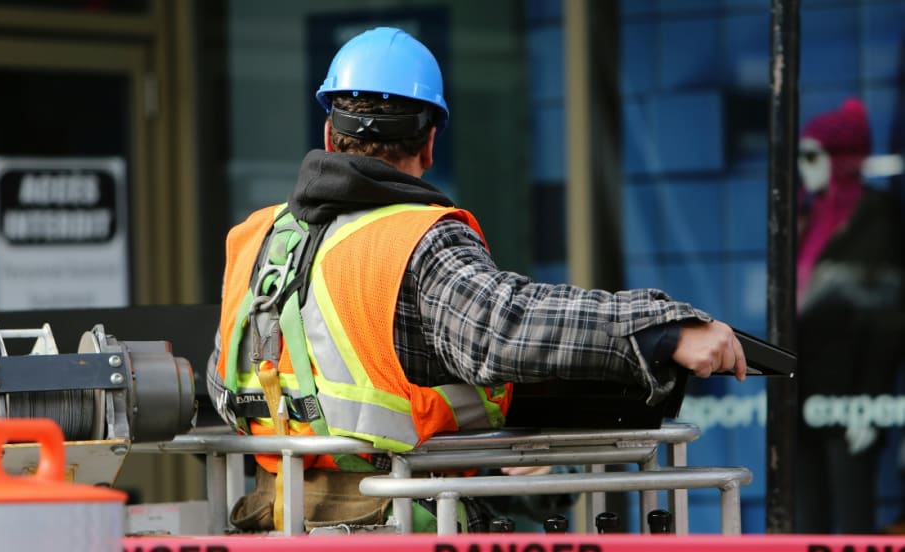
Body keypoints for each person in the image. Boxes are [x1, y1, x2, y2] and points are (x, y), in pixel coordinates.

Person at [206, 26, 747, 534]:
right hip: (397, 525)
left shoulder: (255, 239)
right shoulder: (416, 239)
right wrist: (664, 330)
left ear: (328, 131)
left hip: (274, 522)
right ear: (430, 143)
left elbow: (223, 378)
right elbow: (502, 328)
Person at [794, 98, 905, 534]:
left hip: (852, 392)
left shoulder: (877, 219)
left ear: (840, 159)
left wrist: (870, 402)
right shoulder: (803, 216)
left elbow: (887, 321)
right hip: (803, 390)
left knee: (853, 516)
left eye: (811, 156)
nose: (804, 167)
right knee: (807, 519)